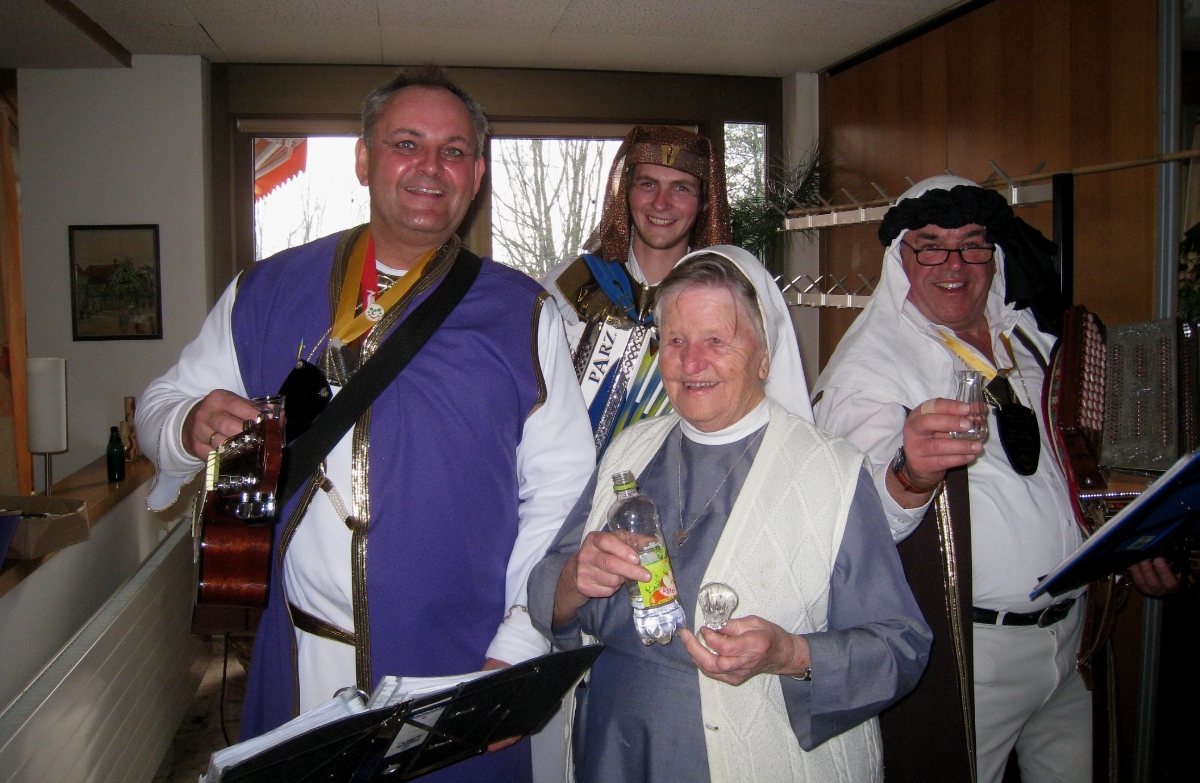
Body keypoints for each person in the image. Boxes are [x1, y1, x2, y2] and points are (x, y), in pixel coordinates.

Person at [136, 67, 595, 781]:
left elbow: (564, 487)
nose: (430, 166)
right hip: (295, 663)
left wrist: (518, 644)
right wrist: (187, 423)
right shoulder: (265, 290)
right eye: (406, 143)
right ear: (363, 158)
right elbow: (160, 406)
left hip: (453, 675)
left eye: (453, 151)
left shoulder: (522, 314)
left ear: (476, 175)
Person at [812, 176, 1179, 783]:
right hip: (969, 654)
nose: (954, 264)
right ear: (901, 259)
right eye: (931, 245)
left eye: (972, 244)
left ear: (994, 251)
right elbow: (857, 519)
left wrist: (1133, 536)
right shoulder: (869, 372)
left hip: (1073, 637)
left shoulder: (1030, 338)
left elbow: (1076, 466)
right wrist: (909, 471)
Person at [529, 245, 931, 782]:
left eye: (716, 340)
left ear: (764, 356)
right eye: (676, 341)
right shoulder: (629, 451)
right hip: (612, 753)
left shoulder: (832, 473)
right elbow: (549, 586)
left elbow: (900, 646)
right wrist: (574, 580)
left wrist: (790, 653)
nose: (691, 363)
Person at [543, 125, 740, 454]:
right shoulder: (570, 284)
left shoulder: (729, 299)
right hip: (569, 475)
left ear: (705, 203)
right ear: (625, 192)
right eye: (648, 184)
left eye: (681, 188)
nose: (661, 203)